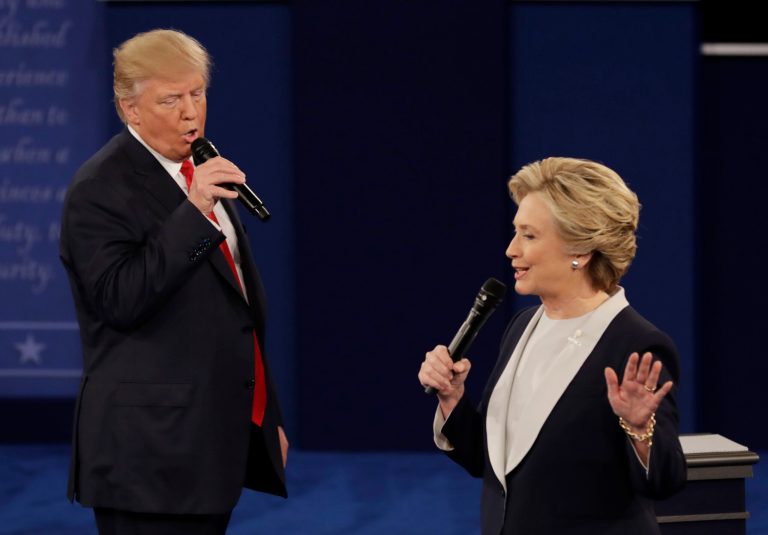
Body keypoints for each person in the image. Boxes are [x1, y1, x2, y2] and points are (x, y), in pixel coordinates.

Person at [59, 29, 288, 534]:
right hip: (146, 456)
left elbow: (235, 308)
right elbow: (120, 300)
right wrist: (194, 212)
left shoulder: (198, 169)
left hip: (210, 446)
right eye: (171, 99)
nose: (191, 112)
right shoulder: (99, 189)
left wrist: (266, 416)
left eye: (197, 94)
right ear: (130, 110)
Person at [418, 157, 687, 534]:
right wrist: (451, 399)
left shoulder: (637, 344)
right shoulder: (522, 326)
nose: (511, 249)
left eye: (529, 235)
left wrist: (639, 428)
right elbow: (490, 462)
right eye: (515, 233)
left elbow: (664, 482)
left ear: (580, 249)